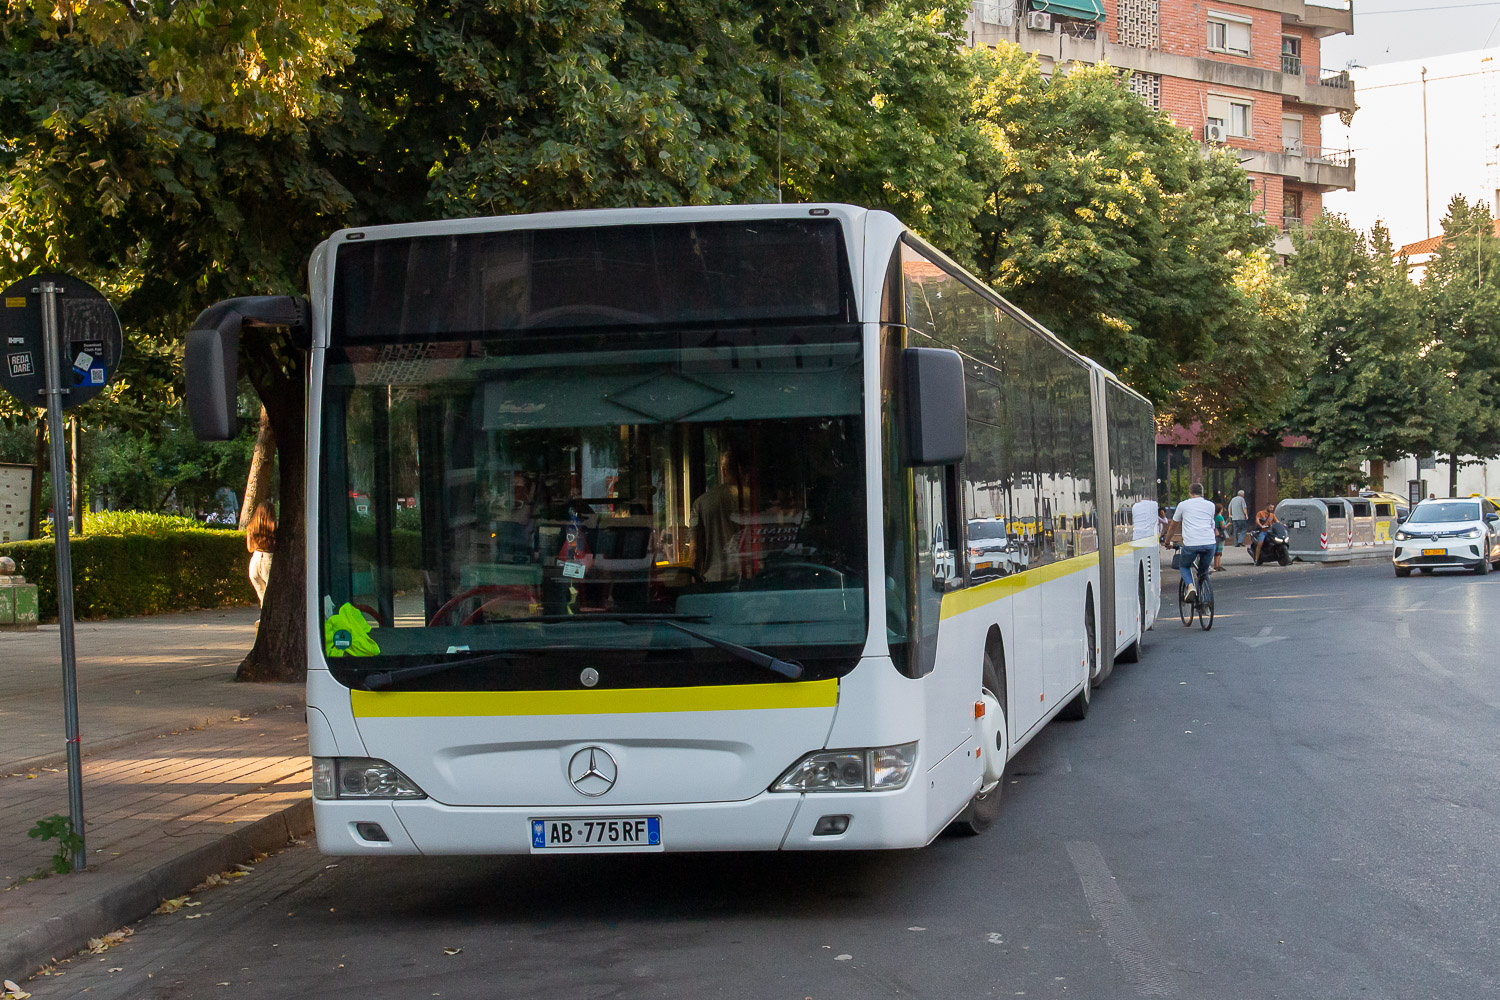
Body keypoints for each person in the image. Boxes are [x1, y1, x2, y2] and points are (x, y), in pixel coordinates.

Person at [1162, 483, 1216, 609]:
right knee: (1203, 571)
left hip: (1191, 543)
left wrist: (1167, 541)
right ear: (1202, 493)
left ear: (1189, 493)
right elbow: (1211, 524)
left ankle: (1190, 586)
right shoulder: (1211, 505)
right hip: (1209, 543)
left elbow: (1173, 526)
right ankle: (1206, 602)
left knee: (1184, 566)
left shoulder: (1183, 505)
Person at [246, 500, 275, 609]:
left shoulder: (251, 527)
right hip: (269, 559)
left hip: (255, 560)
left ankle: (264, 616)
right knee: (273, 596)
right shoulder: (274, 527)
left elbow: (250, 548)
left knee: (262, 596)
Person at [1213, 502, 1228, 572]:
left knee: (1216, 550)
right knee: (1219, 550)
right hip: (1221, 534)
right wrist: (1228, 524)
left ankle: (1217, 565)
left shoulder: (1215, 517)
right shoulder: (1220, 517)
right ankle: (1217, 565)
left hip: (1216, 534)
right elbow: (1222, 527)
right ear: (1220, 509)